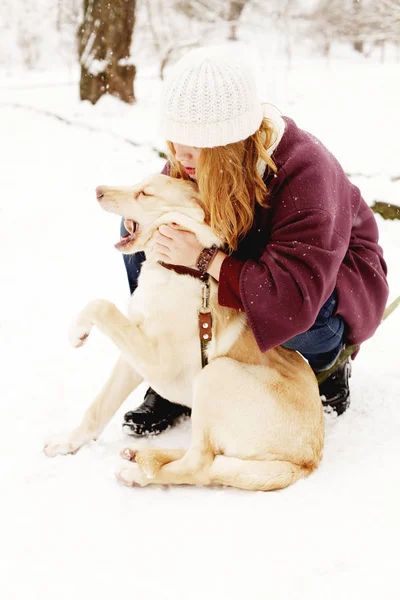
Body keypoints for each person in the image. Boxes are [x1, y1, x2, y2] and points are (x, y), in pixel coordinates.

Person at [120, 47, 389, 436]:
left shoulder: (307, 171)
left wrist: (205, 260)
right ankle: (174, 372)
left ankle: (327, 366)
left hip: (325, 285)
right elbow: (163, 211)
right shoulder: (195, 157)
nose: (180, 154)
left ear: (230, 142)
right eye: (175, 138)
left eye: (196, 142)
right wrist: (143, 222)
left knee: (298, 323)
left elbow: (292, 299)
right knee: (153, 239)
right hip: (252, 261)